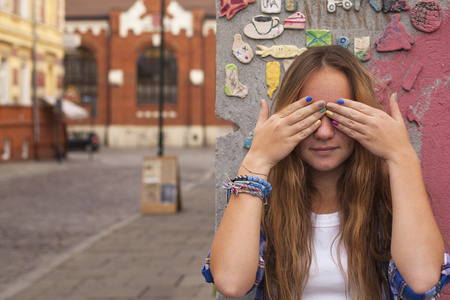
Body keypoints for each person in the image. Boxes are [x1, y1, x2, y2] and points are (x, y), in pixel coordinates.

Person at [202, 45, 450, 299]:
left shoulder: (388, 195)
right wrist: (257, 159)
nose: (324, 133)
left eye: (337, 115)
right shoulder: (264, 197)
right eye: (310, 116)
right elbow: (231, 283)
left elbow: (421, 281)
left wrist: (401, 156)